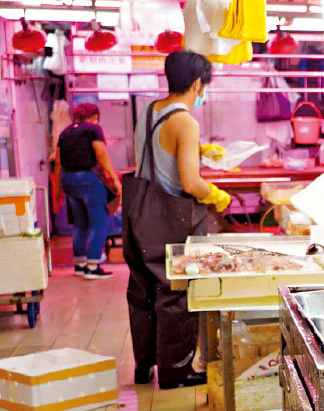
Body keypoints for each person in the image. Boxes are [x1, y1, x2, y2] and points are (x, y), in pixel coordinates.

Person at [123, 50, 232, 389]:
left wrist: (198, 150)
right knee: (175, 292)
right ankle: (175, 372)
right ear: (198, 83)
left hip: (139, 213)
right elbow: (191, 183)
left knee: (142, 290)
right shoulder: (186, 121)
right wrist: (216, 195)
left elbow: (156, 154)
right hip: (170, 219)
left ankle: (144, 366)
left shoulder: (149, 110)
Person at [51, 103, 120, 279]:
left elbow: (58, 162)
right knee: (99, 223)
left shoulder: (65, 132)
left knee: (80, 224)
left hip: (68, 180)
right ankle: (93, 267)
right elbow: (101, 154)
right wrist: (114, 179)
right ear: (95, 116)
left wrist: (57, 190)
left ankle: (80, 264)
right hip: (88, 179)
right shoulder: (93, 129)